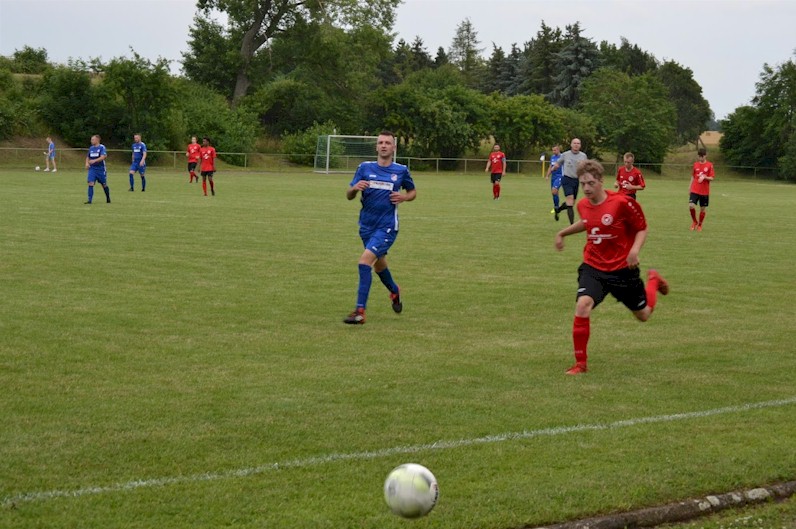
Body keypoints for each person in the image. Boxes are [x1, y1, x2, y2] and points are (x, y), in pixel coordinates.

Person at [554, 159, 668, 375]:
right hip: (593, 267)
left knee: (643, 315)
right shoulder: (582, 205)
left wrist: (634, 251)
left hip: (622, 269)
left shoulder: (622, 203)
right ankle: (580, 364)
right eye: (583, 183)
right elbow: (588, 222)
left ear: (600, 181)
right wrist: (562, 233)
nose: (586, 188)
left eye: (590, 183)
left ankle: (653, 280)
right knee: (582, 306)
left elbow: (642, 228)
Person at [343, 130, 416, 325]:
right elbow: (349, 194)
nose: (383, 145)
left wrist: (404, 197)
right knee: (379, 265)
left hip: (387, 227)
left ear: (393, 147)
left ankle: (360, 311)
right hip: (366, 226)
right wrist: (354, 188)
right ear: (376, 146)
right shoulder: (364, 168)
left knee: (364, 262)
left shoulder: (400, 170)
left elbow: (412, 192)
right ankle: (394, 291)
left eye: (387, 143)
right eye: (380, 142)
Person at [547, 138, 587, 224]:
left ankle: (558, 209)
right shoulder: (565, 154)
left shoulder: (583, 156)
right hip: (567, 179)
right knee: (570, 200)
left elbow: (586, 168)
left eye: (578, 143)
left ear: (580, 145)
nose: (576, 145)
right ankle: (572, 225)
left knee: (571, 203)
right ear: (571, 145)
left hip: (576, 180)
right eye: (574, 143)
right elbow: (558, 163)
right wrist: (554, 167)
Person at [689, 148, 715, 231]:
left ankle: (700, 224)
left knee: (702, 208)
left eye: (702, 156)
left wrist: (705, 177)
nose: (700, 158)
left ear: (705, 155)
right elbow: (693, 176)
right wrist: (690, 187)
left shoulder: (709, 165)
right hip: (695, 189)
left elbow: (712, 178)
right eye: (699, 157)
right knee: (691, 206)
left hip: (704, 191)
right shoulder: (695, 164)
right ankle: (694, 222)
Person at [84, 134, 111, 204]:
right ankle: (89, 200)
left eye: (93, 139)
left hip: (100, 169)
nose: (91, 141)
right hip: (92, 169)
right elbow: (88, 157)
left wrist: (94, 161)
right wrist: (87, 163)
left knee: (104, 184)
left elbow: (103, 157)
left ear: (97, 140)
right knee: (90, 183)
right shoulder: (91, 148)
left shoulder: (102, 147)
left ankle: (108, 198)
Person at [545, 144, 563, 220]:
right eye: (553, 150)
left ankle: (556, 207)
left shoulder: (562, 157)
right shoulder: (552, 157)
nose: (553, 151)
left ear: (558, 150)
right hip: (554, 177)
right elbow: (550, 167)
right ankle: (556, 208)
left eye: (555, 150)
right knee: (554, 193)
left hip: (560, 176)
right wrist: (547, 175)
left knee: (554, 191)